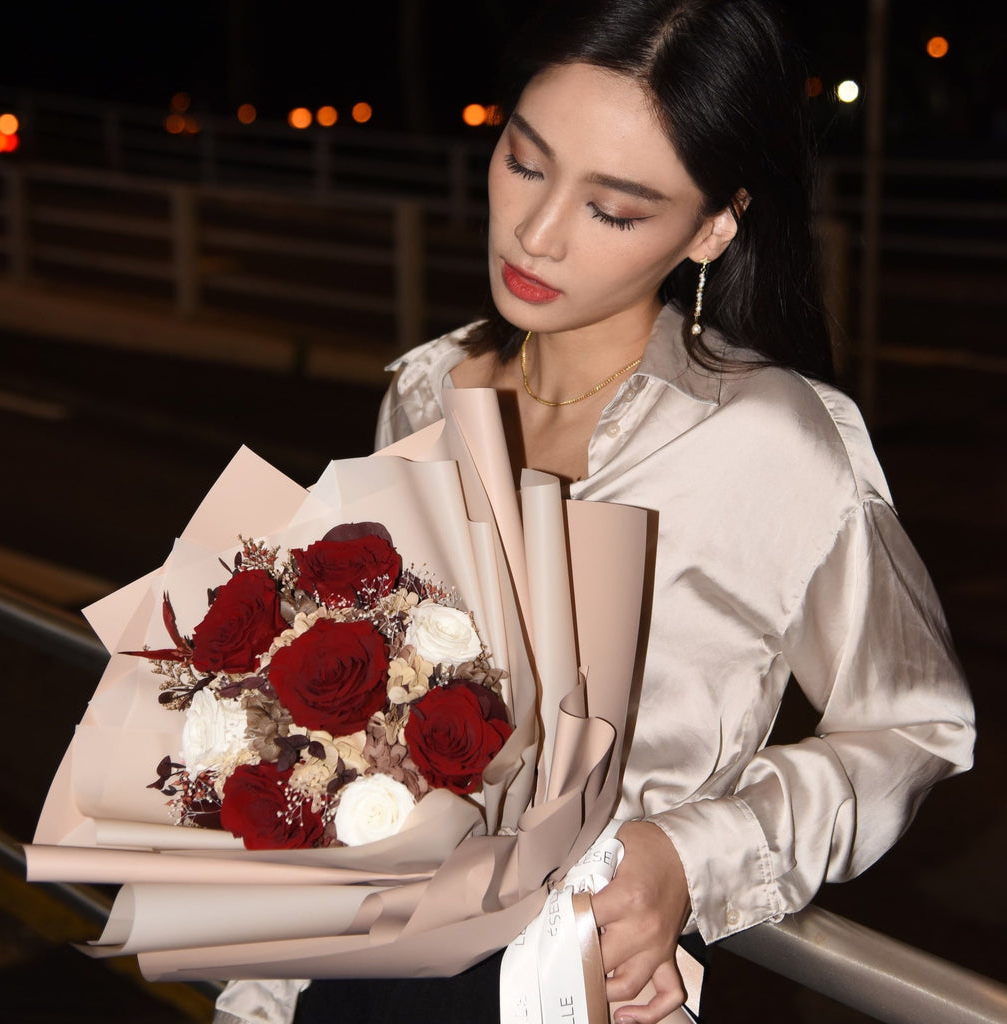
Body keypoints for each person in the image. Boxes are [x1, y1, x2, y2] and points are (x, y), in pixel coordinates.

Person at [290, 0, 975, 1021]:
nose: (537, 233)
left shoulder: (771, 441)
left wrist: (690, 857)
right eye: (525, 162)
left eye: (613, 210)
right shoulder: (428, 392)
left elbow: (918, 723)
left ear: (712, 226)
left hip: (580, 984)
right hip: (367, 959)